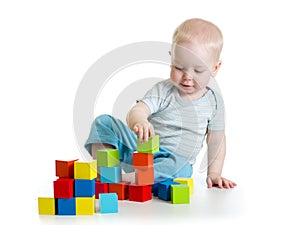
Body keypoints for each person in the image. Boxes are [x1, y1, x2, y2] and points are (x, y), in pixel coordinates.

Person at [85, 18, 236, 189]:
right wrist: (139, 121)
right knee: (103, 123)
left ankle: (129, 179)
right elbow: (139, 109)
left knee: (183, 168)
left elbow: (216, 140)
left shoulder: (214, 102)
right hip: (141, 149)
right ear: (172, 59)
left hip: (170, 164)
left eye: (198, 70)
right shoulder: (163, 90)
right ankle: (107, 169)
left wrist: (214, 173)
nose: (187, 76)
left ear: (215, 68)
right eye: (179, 67)